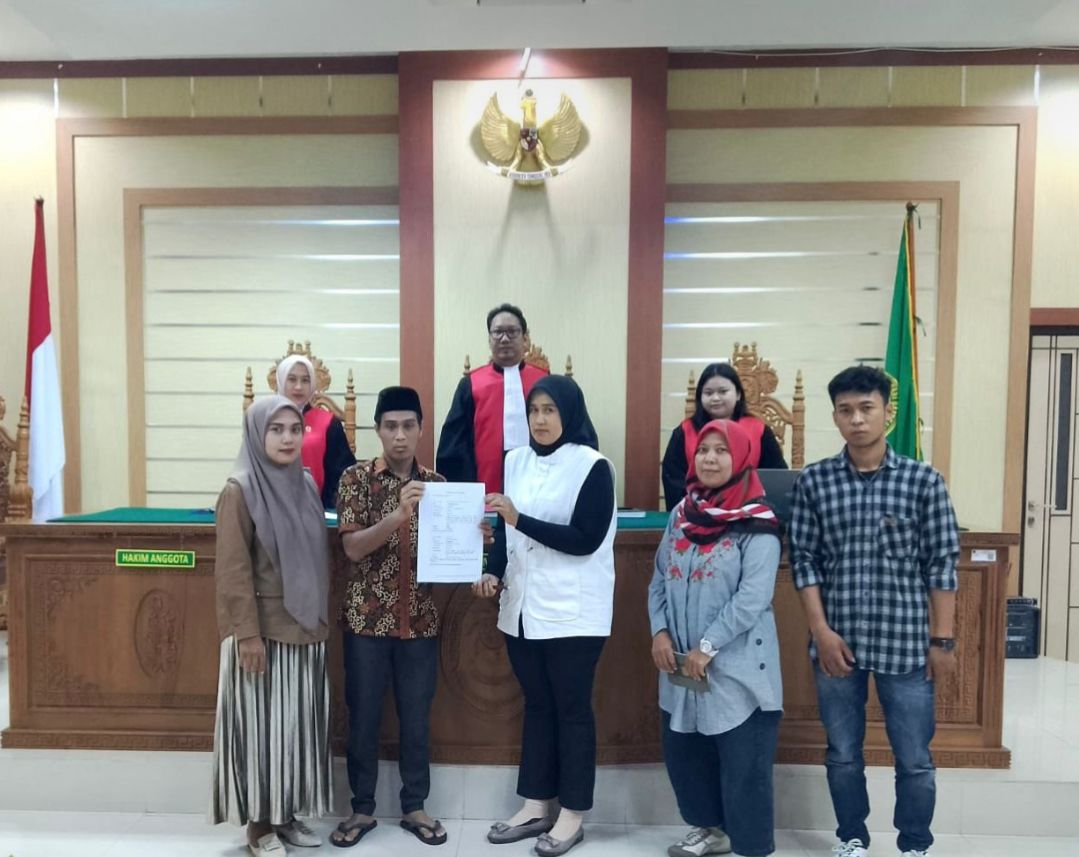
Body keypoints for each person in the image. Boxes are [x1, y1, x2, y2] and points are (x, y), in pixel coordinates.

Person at [789, 366, 959, 857]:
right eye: (846, 410)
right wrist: (820, 631)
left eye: (867, 408)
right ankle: (852, 838)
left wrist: (942, 641)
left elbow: (942, 564)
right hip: (836, 644)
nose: (857, 419)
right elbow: (804, 560)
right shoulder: (815, 481)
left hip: (905, 644)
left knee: (914, 757)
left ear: (888, 412)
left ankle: (915, 844)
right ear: (835, 418)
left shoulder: (924, 482)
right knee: (843, 754)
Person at [331, 386, 491, 848]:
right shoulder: (355, 479)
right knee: (363, 717)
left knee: (417, 719)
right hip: (367, 622)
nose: (399, 435)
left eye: (408, 426)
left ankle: (415, 805)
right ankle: (361, 809)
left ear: (421, 429)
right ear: (378, 430)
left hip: (419, 622)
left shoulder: (440, 487)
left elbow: (449, 558)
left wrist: (473, 542)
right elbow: (352, 548)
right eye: (390, 426)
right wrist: (397, 517)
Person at [473, 375, 616, 857]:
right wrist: (492, 571)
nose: (540, 419)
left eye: (550, 410)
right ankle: (536, 805)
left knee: (572, 711)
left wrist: (519, 519)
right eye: (534, 410)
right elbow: (504, 529)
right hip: (522, 609)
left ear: (569, 413)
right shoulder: (515, 460)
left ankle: (572, 814)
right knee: (537, 706)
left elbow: (585, 539)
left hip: (574, 614)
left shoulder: (593, 466)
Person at [649, 418, 783, 857]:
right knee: (685, 752)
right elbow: (659, 577)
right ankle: (709, 830)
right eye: (703, 450)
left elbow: (753, 598)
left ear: (741, 458)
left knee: (743, 764)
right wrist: (659, 631)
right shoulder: (682, 513)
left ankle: (751, 847)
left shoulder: (757, 522)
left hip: (736, 663)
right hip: (681, 662)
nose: (710, 458)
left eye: (721, 450)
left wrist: (707, 646)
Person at [209, 395, 332, 857]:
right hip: (260, 635)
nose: (287, 438)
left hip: (304, 630)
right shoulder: (238, 490)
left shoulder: (305, 483)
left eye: (295, 429)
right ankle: (259, 825)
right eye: (276, 429)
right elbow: (232, 570)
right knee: (260, 734)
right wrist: (246, 634)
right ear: (257, 434)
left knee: (293, 731)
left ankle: (285, 816)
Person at [436, 303, 548, 494]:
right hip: (486, 486)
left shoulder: (545, 381)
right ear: (489, 339)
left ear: (525, 338)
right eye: (498, 332)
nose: (504, 338)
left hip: (539, 484)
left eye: (512, 332)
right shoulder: (471, 384)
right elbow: (454, 445)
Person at [662, 362, 787, 511]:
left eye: (723, 391)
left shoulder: (759, 430)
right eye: (708, 393)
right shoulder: (685, 431)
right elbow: (673, 479)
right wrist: (696, 509)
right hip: (697, 513)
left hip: (747, 512)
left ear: (738, 394)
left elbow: (776, 478)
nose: (715, 398)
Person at [277, 353, 356, 508]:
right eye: (292, 379)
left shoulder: (328, 423)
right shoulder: (265, 420)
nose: (298, 386)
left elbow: (344, 476)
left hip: (317, 511)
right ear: (281, 381)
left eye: (305, 380)